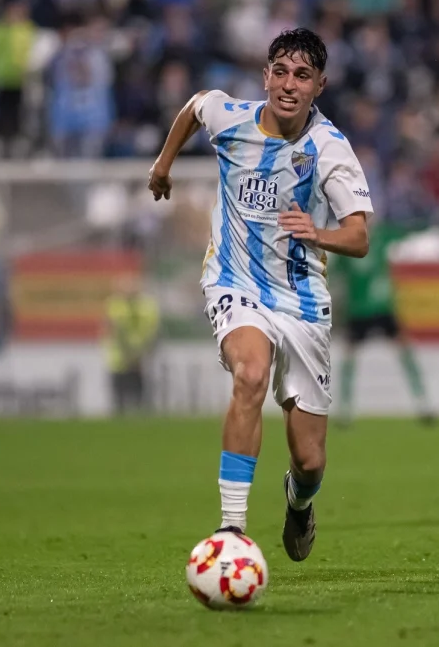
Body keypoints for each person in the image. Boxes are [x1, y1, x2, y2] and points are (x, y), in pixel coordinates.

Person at [147, 28, 373, 562]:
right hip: (233, 281)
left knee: (311, 460)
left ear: (320, 85)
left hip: (301, 300)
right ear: (265, 75)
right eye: (280, 72)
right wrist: (162, 164)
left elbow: (360, 236)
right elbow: (195, 107)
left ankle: (299, 504)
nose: (288, 85)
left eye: (302, 76)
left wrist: (318, 234)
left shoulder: (330, 150)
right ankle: (231, 530)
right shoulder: (231, 118)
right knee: (249, 373)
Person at [334, 216, 435, 427]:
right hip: (358, 310)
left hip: (382, 307)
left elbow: (409, 231)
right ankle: (344, 411)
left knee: (404, 352)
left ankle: (423, 405)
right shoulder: (345, 245)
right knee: (349, 359)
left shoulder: (381, 237)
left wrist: (429, 223)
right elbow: (334, 275)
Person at [103, 275, 160, 415]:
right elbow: (113, 330)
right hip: (121, 357)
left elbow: (152, 331)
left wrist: (139, 351)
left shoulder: (146, 306)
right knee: (120, 395)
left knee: (138, 393)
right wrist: (131, 352)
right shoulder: (115, 304)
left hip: (139, 357)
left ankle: (138, 415)